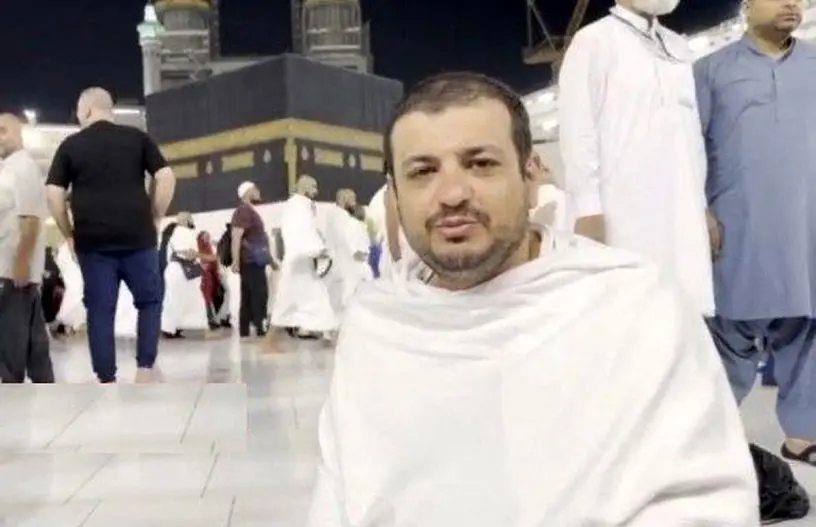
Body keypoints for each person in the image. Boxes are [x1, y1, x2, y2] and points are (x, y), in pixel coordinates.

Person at [305, 72, 758, 526]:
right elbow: (337, 502)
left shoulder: (632, 306)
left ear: (529, 175)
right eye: (423, 172)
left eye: (480, 164)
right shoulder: (379, 326)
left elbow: (700, 502)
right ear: (395, 195)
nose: (453, 194)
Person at [695, 0, 816, 465]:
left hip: (806, 228)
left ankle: (804, 434)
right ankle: (702, 437)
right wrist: (699, 210)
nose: (792, 4)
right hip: (739, 227)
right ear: (746, 6)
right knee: (729, 332)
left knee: (807, 330)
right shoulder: (710, 71)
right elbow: (688, 150)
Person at [557, 0, 715, 315]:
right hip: (623, 212)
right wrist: (588, 209)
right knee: (632, 309)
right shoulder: (594, 41)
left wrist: (702, 207)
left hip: (683, 209)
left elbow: (693, 139)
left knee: (684, 310)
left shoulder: (678, 47)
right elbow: (578, 131)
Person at [46, 87, 175, 384]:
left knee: (100, 309)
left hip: (93, 242)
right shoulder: (137, 138)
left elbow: (53, 194)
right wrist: (155, 215)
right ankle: (145, 368)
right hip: (138, 237)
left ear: (87, 110)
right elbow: (166, 177)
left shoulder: (70, 145)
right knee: (149, 301)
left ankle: (106, 378)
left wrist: (68, 233)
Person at [0, 113, 54, 383]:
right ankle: (45, 387)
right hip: (13, 269)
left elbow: (30, 217)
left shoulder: (22, 167)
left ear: (19, 133)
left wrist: (21, 261)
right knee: (33, 341)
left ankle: (11, 391)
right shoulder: (8, 169)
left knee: (12, 341)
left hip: (12, 269)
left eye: (3, 131)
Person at [266, 175, 337, 351]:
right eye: (313, 187)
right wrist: (317, 249)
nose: (316, 191)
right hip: (297, 261)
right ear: (304, 187)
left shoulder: (302, 206)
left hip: (303, 263)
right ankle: (270, 342)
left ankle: (329, 337)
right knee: (285, 302)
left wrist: (316, 248)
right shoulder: (297, 205)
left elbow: (306, 231)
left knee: (319, 298)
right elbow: (299, 232)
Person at [230, 181, 270, 338]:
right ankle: (260, 327)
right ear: (248, 191)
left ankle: (245, 331)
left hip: (252, 260)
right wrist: (235, 261)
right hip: (251, 261)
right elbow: (236, 236)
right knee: (259, 294)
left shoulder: (247, 210)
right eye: (256, 189)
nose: (258, 191)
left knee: (247, 296)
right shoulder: (243, 211)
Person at [324, 188, 372, 315]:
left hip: (337, 267)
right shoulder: (349, 222)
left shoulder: (332, 218)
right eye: (353, 200)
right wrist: (365, 258)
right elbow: (355, 251)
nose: (355, 204)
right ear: (346, 201)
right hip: (350, 269)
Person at [160, 213, 208, 338]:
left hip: (174, 269)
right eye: (190, 219)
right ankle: (171, 328)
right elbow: (188, 253)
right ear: (186, 220)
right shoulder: (184, 232)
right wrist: (203, 257)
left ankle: (172, 328)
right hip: (180, 271)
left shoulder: (173, 233)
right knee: (180, 300)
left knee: (175, 300)